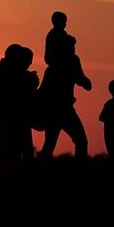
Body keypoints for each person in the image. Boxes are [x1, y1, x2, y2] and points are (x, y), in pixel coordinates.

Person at [38, 11, 92, 159]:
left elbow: (81, 78)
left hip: (62, 108)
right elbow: (79, 78)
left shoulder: (70, 61)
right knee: (78, 141)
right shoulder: (59, 65)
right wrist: (84, 82)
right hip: (58, 109)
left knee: (53, 144)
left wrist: (85, 82)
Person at [0, 44, 38, 160]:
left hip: (14, 118)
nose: (27, 65)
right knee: (13, 151)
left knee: (16, 151)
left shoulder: (2, 73)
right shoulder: (7, 75)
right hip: (9, 118)